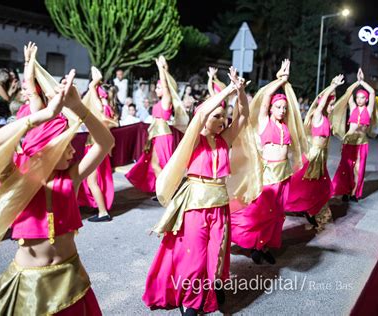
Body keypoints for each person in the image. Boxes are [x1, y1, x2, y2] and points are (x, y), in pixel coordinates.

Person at [0, 46, 114, 315]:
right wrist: (44, 116)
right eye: (66, 146)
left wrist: (79, 107)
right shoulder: (16, 178)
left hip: (71, 275)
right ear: (44, 151)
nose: (74, 151)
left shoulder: (68, 179)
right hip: (31, 281)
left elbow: (106, 142)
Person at [143, 67, 249, 315]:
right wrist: (227, 91)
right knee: (195, 257)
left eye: (224, 116)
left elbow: (243, 116)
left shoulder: (224, 139)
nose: (222, 121)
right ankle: (190, 301)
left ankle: (212, 287)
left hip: (220, 206)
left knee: (217, 254)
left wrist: (240, 92)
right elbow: (200, 114)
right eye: (217, 116)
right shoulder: (192, 138)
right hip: (195, 207)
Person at [230, 59, 307, 265]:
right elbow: (264, 98)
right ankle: (254, 245)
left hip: (283, 174)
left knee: (276, 214)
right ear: (271, 109)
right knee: (260, 212)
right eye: (278, 107)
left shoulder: (285, 126)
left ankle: (263, 246)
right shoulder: (264, 122)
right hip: (267, 174)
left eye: (284, 107)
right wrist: (280, 80)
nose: (282, 110)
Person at [285, 74, 345, 229]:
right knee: (299, 185)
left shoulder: (326, 118)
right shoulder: (317, 116)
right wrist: (333, 86)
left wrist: (332, 88)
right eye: (331, 104)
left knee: (319, 186)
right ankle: (288, 205)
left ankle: (312, 210)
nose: (332, 107)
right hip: (312, 157)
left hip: (320, 158)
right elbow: (322, 101)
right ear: (323, 105)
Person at [125, 56, 180, 193]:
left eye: (159, 87)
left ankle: (165, 191)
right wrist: (165, 69)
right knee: (154, 164)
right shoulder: (161, 101)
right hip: (157, 134)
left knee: (161, 165)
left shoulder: (167, 101)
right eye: (157, 87)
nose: (156, 89)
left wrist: (160, 69)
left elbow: (167, 86)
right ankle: (162, 190)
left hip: (163, 135)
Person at [331, 68, 378, 202]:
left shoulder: (368, 109)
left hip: (362, 142)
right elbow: (348, 94)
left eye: (362, 97)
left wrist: (362, 81)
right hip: (349, 141)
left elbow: (372, 91)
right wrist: (356, 83)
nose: (359, 100)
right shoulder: (352, 107)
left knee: (358, 169)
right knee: (346, 167)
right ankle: (345, 191)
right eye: (357, 97)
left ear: (366, 99)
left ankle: (353, 193)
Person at [78, 67, 118, 222]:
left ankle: (103, 212)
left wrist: (94, 82)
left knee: (91, 180)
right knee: (96, 179)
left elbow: (92, 91)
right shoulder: (108, 108)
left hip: (95, 146)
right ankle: (100, 208)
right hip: (98, 145)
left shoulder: (102, 108)